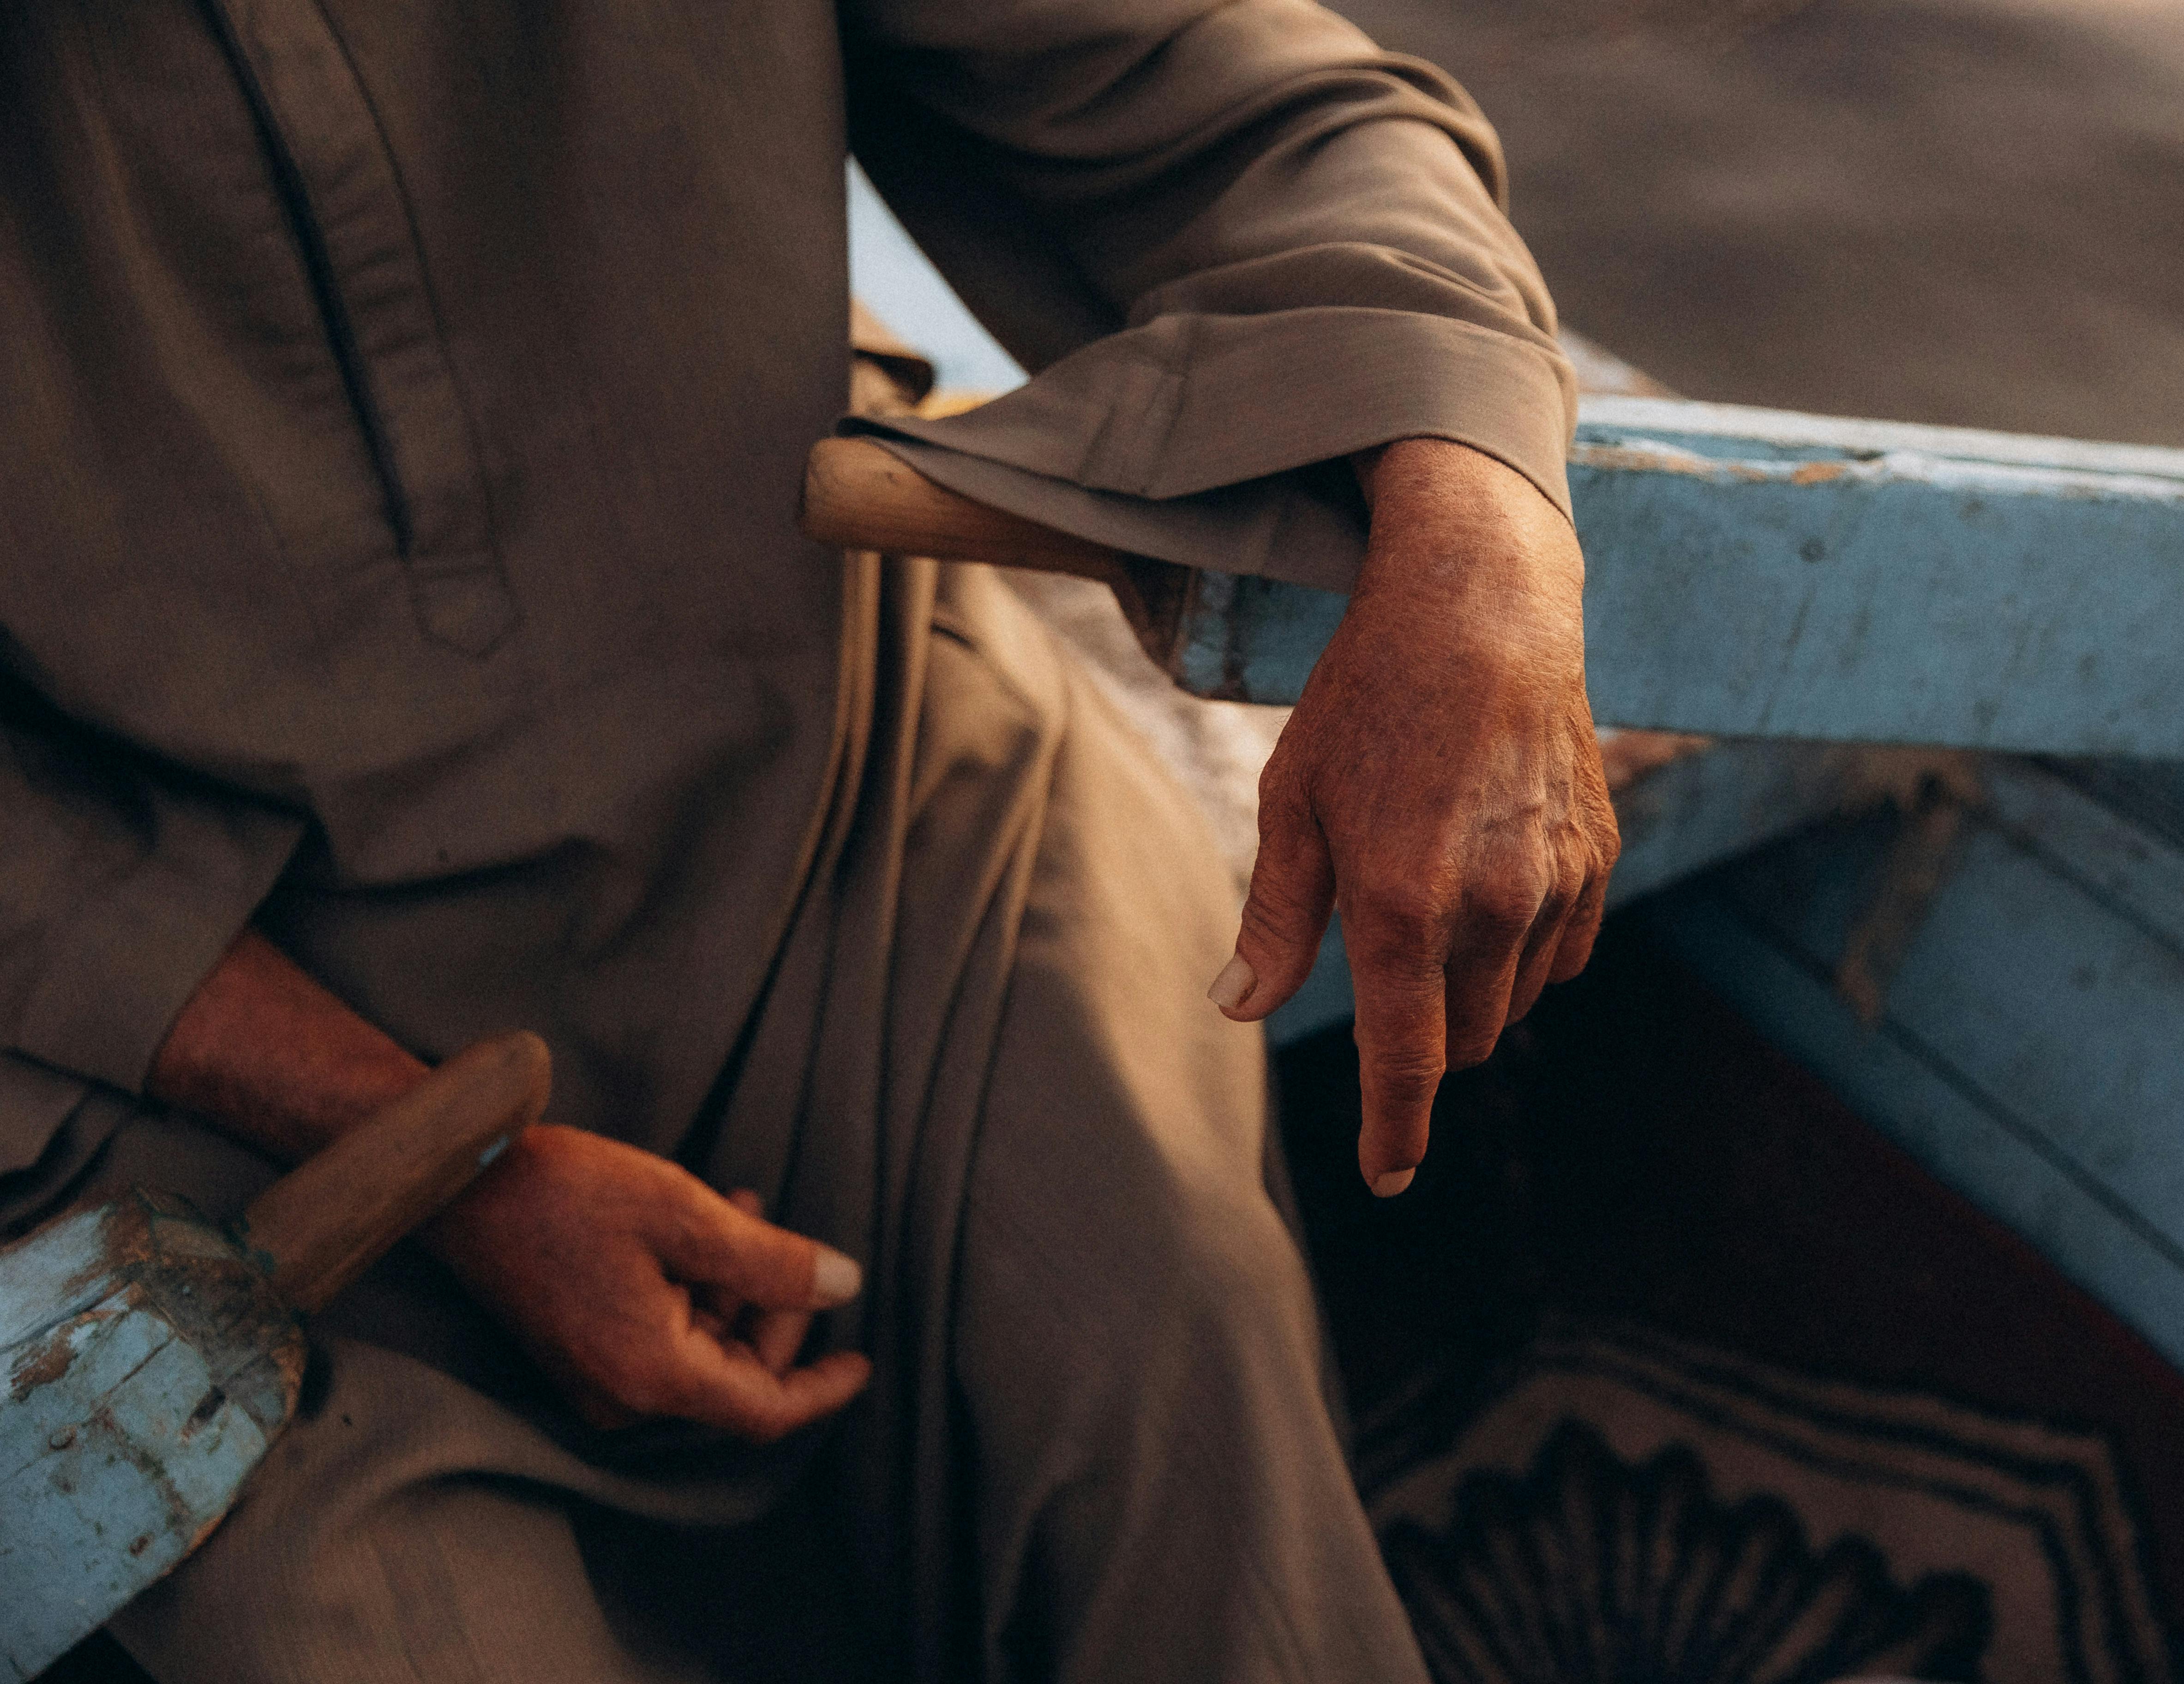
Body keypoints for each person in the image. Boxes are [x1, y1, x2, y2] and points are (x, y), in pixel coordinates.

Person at [0, 0, 1617, 1678]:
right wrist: (440, 1157)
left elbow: (1220, 86)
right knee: (374, 1626)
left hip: (849, 754)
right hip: (181, 1003)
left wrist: (1483, 532)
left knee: (1187, 1386)